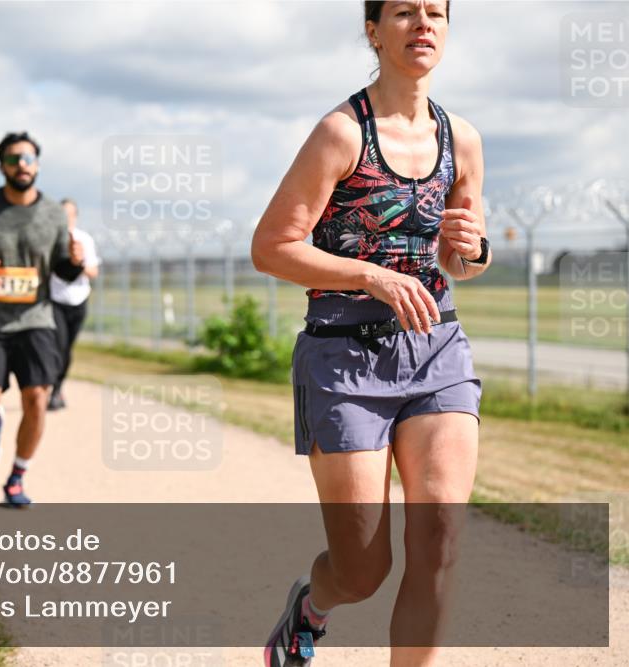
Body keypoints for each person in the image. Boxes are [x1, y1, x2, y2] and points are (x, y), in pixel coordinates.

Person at [252, 2, 489, 665]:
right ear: (373, 30)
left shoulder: (461, 140)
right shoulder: (340, 133)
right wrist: (369, 277)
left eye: (436, 12)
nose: (423, 24)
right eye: (405, 12)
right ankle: (311, 607)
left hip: (436, 346)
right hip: (344, 355)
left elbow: (460, 263)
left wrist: (475, 248)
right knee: (361, 568)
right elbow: (271, 247)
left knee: (440, 538)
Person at [0, 131, 86, 507]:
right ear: (1, 166)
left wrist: (75, 262)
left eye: (27, 159)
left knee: (37, 398)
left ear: (37, 165)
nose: (21, 165)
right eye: (13, 159)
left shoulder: (54, 212)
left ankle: (17, 477)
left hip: (36, 317)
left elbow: (62, 271)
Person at [47, 198, 101, 410]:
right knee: (57, 345)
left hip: (78, 300)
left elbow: (93, 272)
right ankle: (51, 386)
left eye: (69, 214)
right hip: (55, 300)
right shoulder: (51, 239)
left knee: (67, 348)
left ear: (75, 216)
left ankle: (57, 388)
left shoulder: (84, 240)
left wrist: (77, 264)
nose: (66, 218)